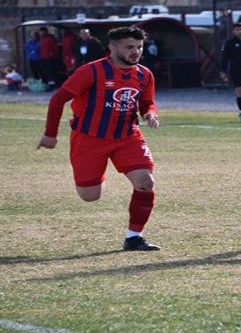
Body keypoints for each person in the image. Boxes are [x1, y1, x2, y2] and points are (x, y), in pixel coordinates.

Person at [37, 26, 161, 251]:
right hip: (89, 139)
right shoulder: (91, 71)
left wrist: (150, 113)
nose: (135, 52)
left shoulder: (144, 74)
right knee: (90, 195)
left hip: (127, 136)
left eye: (139, 47)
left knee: (146, 183)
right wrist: (50, 134)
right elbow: (58, 99)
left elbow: (146, 102)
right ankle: (95, 174)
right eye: (129, 47)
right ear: (112, 47)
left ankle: (134, 237)